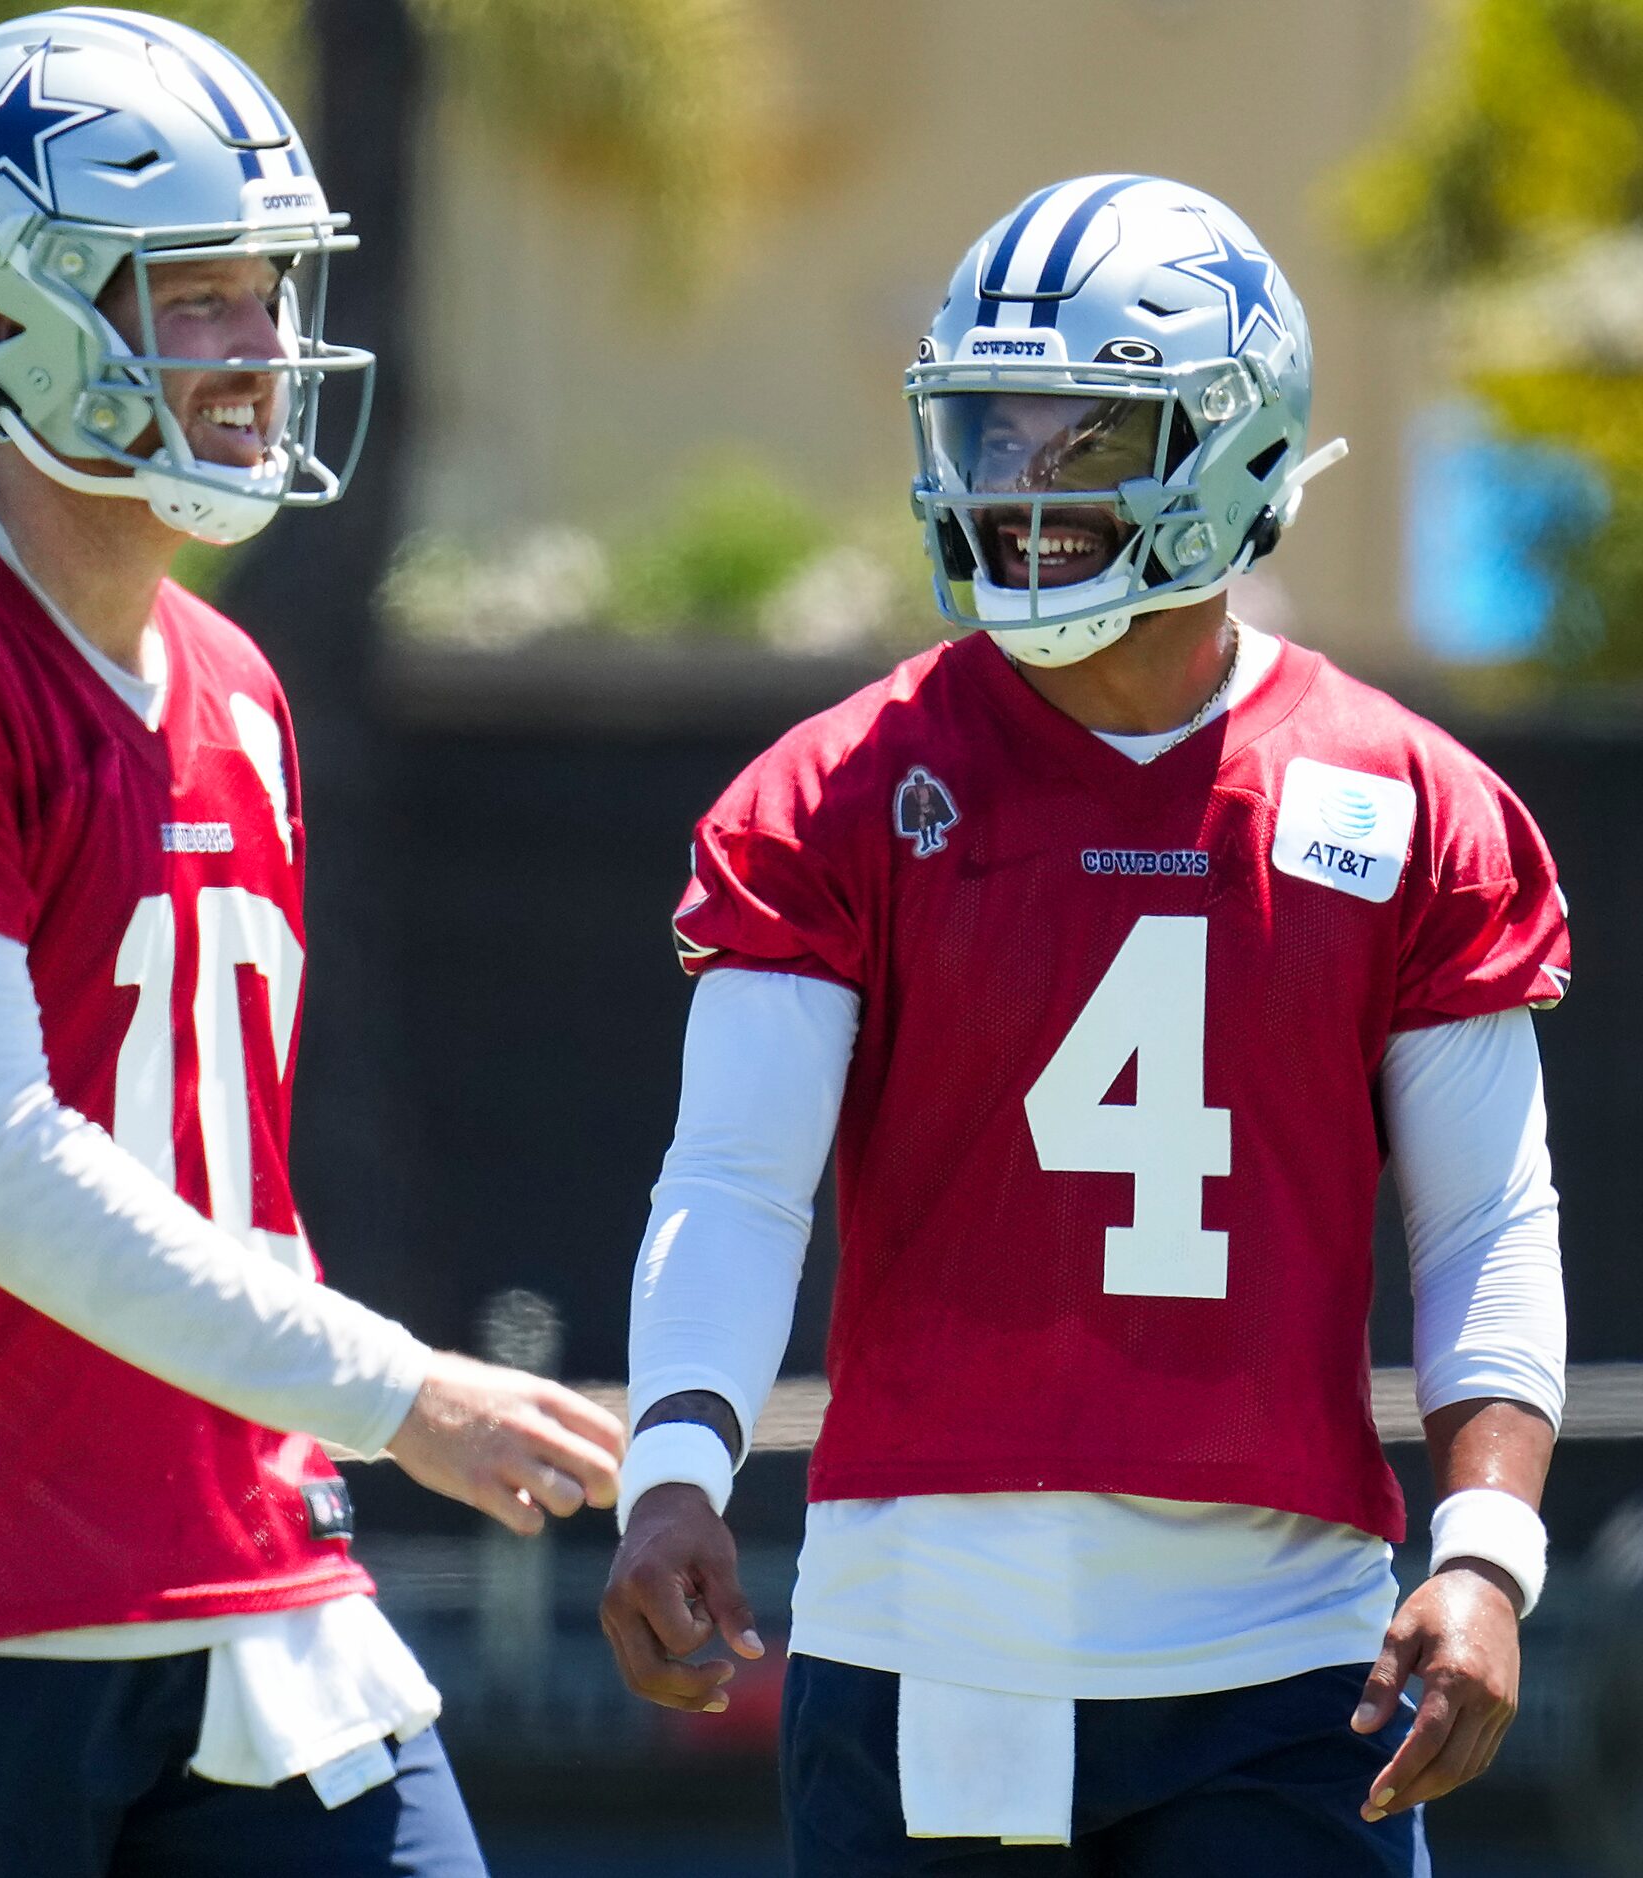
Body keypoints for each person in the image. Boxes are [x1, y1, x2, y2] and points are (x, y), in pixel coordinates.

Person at [0, 11, 625, 1875]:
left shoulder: (239, 685)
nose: (261, 354)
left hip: (246, 1564)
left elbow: (221, 1176)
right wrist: (399, 1390)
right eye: (196, 297)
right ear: (4, 306)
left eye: (269, 293)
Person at [599, 175, 1569, 1872]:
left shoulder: (1411, 802)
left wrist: (1486, 1550)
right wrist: (672, 1464)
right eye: (989, 428)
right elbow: (735, 1180)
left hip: (1288, 1666)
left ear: (1233, 446)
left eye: (1080, 435)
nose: (1016, 488)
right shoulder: (836, 792)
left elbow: (1488, 1214)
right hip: (927, 1638)